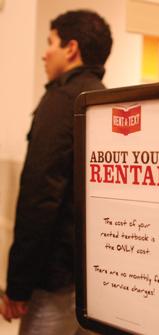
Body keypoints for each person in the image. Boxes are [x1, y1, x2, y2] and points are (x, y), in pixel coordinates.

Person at [1, 10, 112, 334]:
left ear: (71, 48)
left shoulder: (61, 101)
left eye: (50, 42)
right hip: (92, 274)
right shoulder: (104, 100)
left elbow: (39, 198)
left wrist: (18, 286)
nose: (43, 53)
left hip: (54, 279)